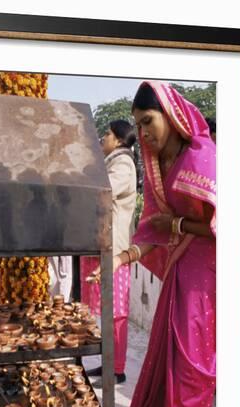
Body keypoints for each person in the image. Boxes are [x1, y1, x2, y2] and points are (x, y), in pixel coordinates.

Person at [116, 81, 216, 407]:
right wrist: (122, 259)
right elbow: (155, 229)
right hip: (180, 265)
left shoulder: (202, 155)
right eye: (138, 126)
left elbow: (226, 223)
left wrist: (175, 225)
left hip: (207, 267)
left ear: (172, 116)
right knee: (170, 348)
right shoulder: (158, 165)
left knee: (192, 354)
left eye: (148, 122)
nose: (143, 133)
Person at [81, 119, 137, 385]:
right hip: (103, 246)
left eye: (107, 134)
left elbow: (102, 192)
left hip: (114, 252)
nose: (103, 138)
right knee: (105, 311)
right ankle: (108, 365)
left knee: (115, 313)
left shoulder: (123, 164)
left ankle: (117, 370)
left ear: (118, 140)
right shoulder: (112, 162)